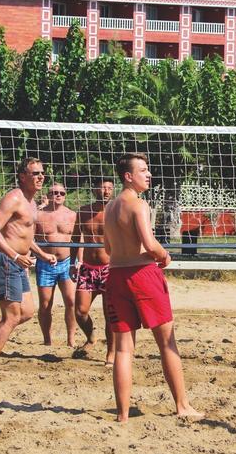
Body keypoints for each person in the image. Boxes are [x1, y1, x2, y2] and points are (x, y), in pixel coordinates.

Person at [103, 153, 203, 422]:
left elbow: (108, 249)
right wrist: (164, 255)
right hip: (142, 275)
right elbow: (149, 244)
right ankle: (182, 406)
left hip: (115, 275)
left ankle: (122, 414)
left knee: (123, 349)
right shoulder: (139, 205)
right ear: (128, 176)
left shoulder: (110, 208)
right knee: (167, 343)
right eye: (143, 170)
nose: (148, 175)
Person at [0, 157, 57, 382]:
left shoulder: (31, 202)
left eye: (42, 173)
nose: (40, 177)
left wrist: (41, 253)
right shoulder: (14, 198)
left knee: (26, 313)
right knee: (11, 316)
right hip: (6, 260)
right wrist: (15, 255)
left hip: (18, 262)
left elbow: (24, 234)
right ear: (22, 176)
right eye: (35, 173)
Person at [71, 177, 115, 366]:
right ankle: (91, 338)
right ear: (94, 189)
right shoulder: (83, 211)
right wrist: (73, 262)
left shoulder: (116, 210)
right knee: (80, 312)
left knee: (109, 314)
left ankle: (111, 353)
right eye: (102, 187)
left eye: (109, 188)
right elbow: (75, 237)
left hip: (109, 268)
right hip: (88, 268)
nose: (105, 191)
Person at [35, 183, 78, 347]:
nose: (58, 195)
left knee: (71, 301)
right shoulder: (39, 215)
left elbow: (77, 240)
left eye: (61, 193)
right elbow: (31, 239)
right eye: (54, 192)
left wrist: (77, 261)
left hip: (66, 263)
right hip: (45, 264)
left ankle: (71, 339)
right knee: (45, 304)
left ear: (65, 195)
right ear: (48, 195)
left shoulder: (72, 215)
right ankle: (47, 339)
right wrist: (39, 256)